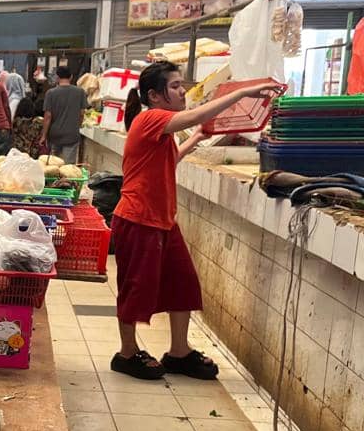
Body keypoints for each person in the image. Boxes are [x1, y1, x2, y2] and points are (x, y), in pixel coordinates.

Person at [110, 61, 279, 381]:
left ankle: (179, 352)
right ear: (154, 95)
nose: (182, 92)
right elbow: (195, 115)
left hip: (163, 221)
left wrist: (196, 139)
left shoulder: (160, 129)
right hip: (139, 219)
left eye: (181, 85)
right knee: (135, 288)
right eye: (175, 86)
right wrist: (242, 93)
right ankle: (127, 353)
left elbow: (169, 160)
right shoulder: (149, 118)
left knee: (183, 283)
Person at [39, 66, 87, 164]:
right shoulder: (80, 92)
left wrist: (44, 135)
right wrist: (77, 126)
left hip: (54, 135)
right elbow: (82, 114)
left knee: (53, 165)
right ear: (71, 77)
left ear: (57, 77)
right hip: (72, 135)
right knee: (68, 167)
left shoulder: (50, 93)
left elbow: (48, 116)